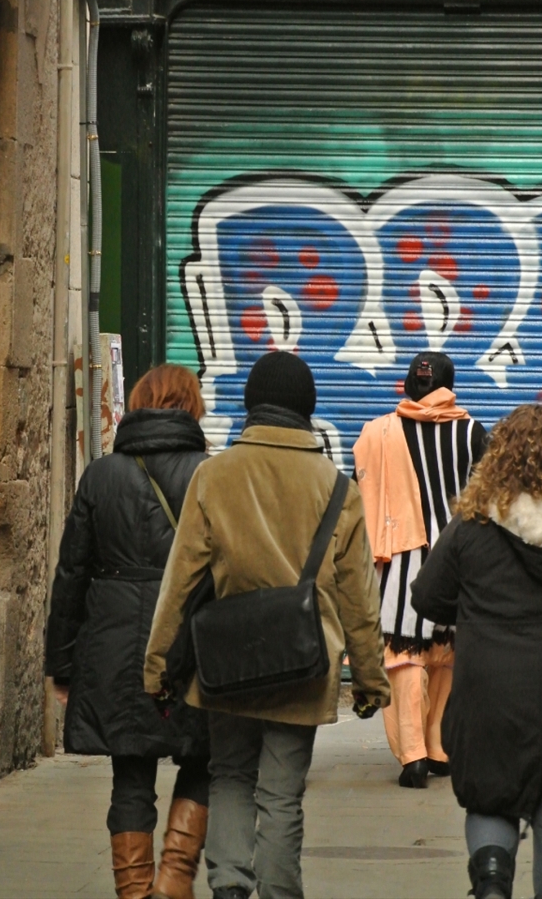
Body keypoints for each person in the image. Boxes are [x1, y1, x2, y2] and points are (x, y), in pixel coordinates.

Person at [144, 351, 390, 899]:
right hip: (303, 665)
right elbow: (359, 599)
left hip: (227, 662)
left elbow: (179, 582)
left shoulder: (215, 476)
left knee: (229, 775)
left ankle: (229, 887)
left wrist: (157, 664)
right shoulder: (337, 490)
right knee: (281, 796)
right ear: (308, 410)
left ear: (251, 405)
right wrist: (370, 680)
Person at [410, 404, 542, 899]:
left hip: (492, 683)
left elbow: (427, 598)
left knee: (491, 796)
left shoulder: (473, 525)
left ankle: (491, 883)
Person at [45, 364, 211, 899]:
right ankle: (174, 878)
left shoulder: (100, 474)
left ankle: (136, 892)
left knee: (131, 774)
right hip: (191, 640)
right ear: (191, 406)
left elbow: (71, 574)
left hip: (115, 643)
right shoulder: (209, 474)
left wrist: (63, 663)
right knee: (202, 758)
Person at [353, 351, 488, 788]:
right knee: (446, 656)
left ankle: (412, 756)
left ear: (409, 383)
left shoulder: (377, 433)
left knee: (402, 656)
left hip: (399, 564)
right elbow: (490, 498)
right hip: (457, 564)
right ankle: (438, 748)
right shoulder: (471, 433)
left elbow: (360, 494)